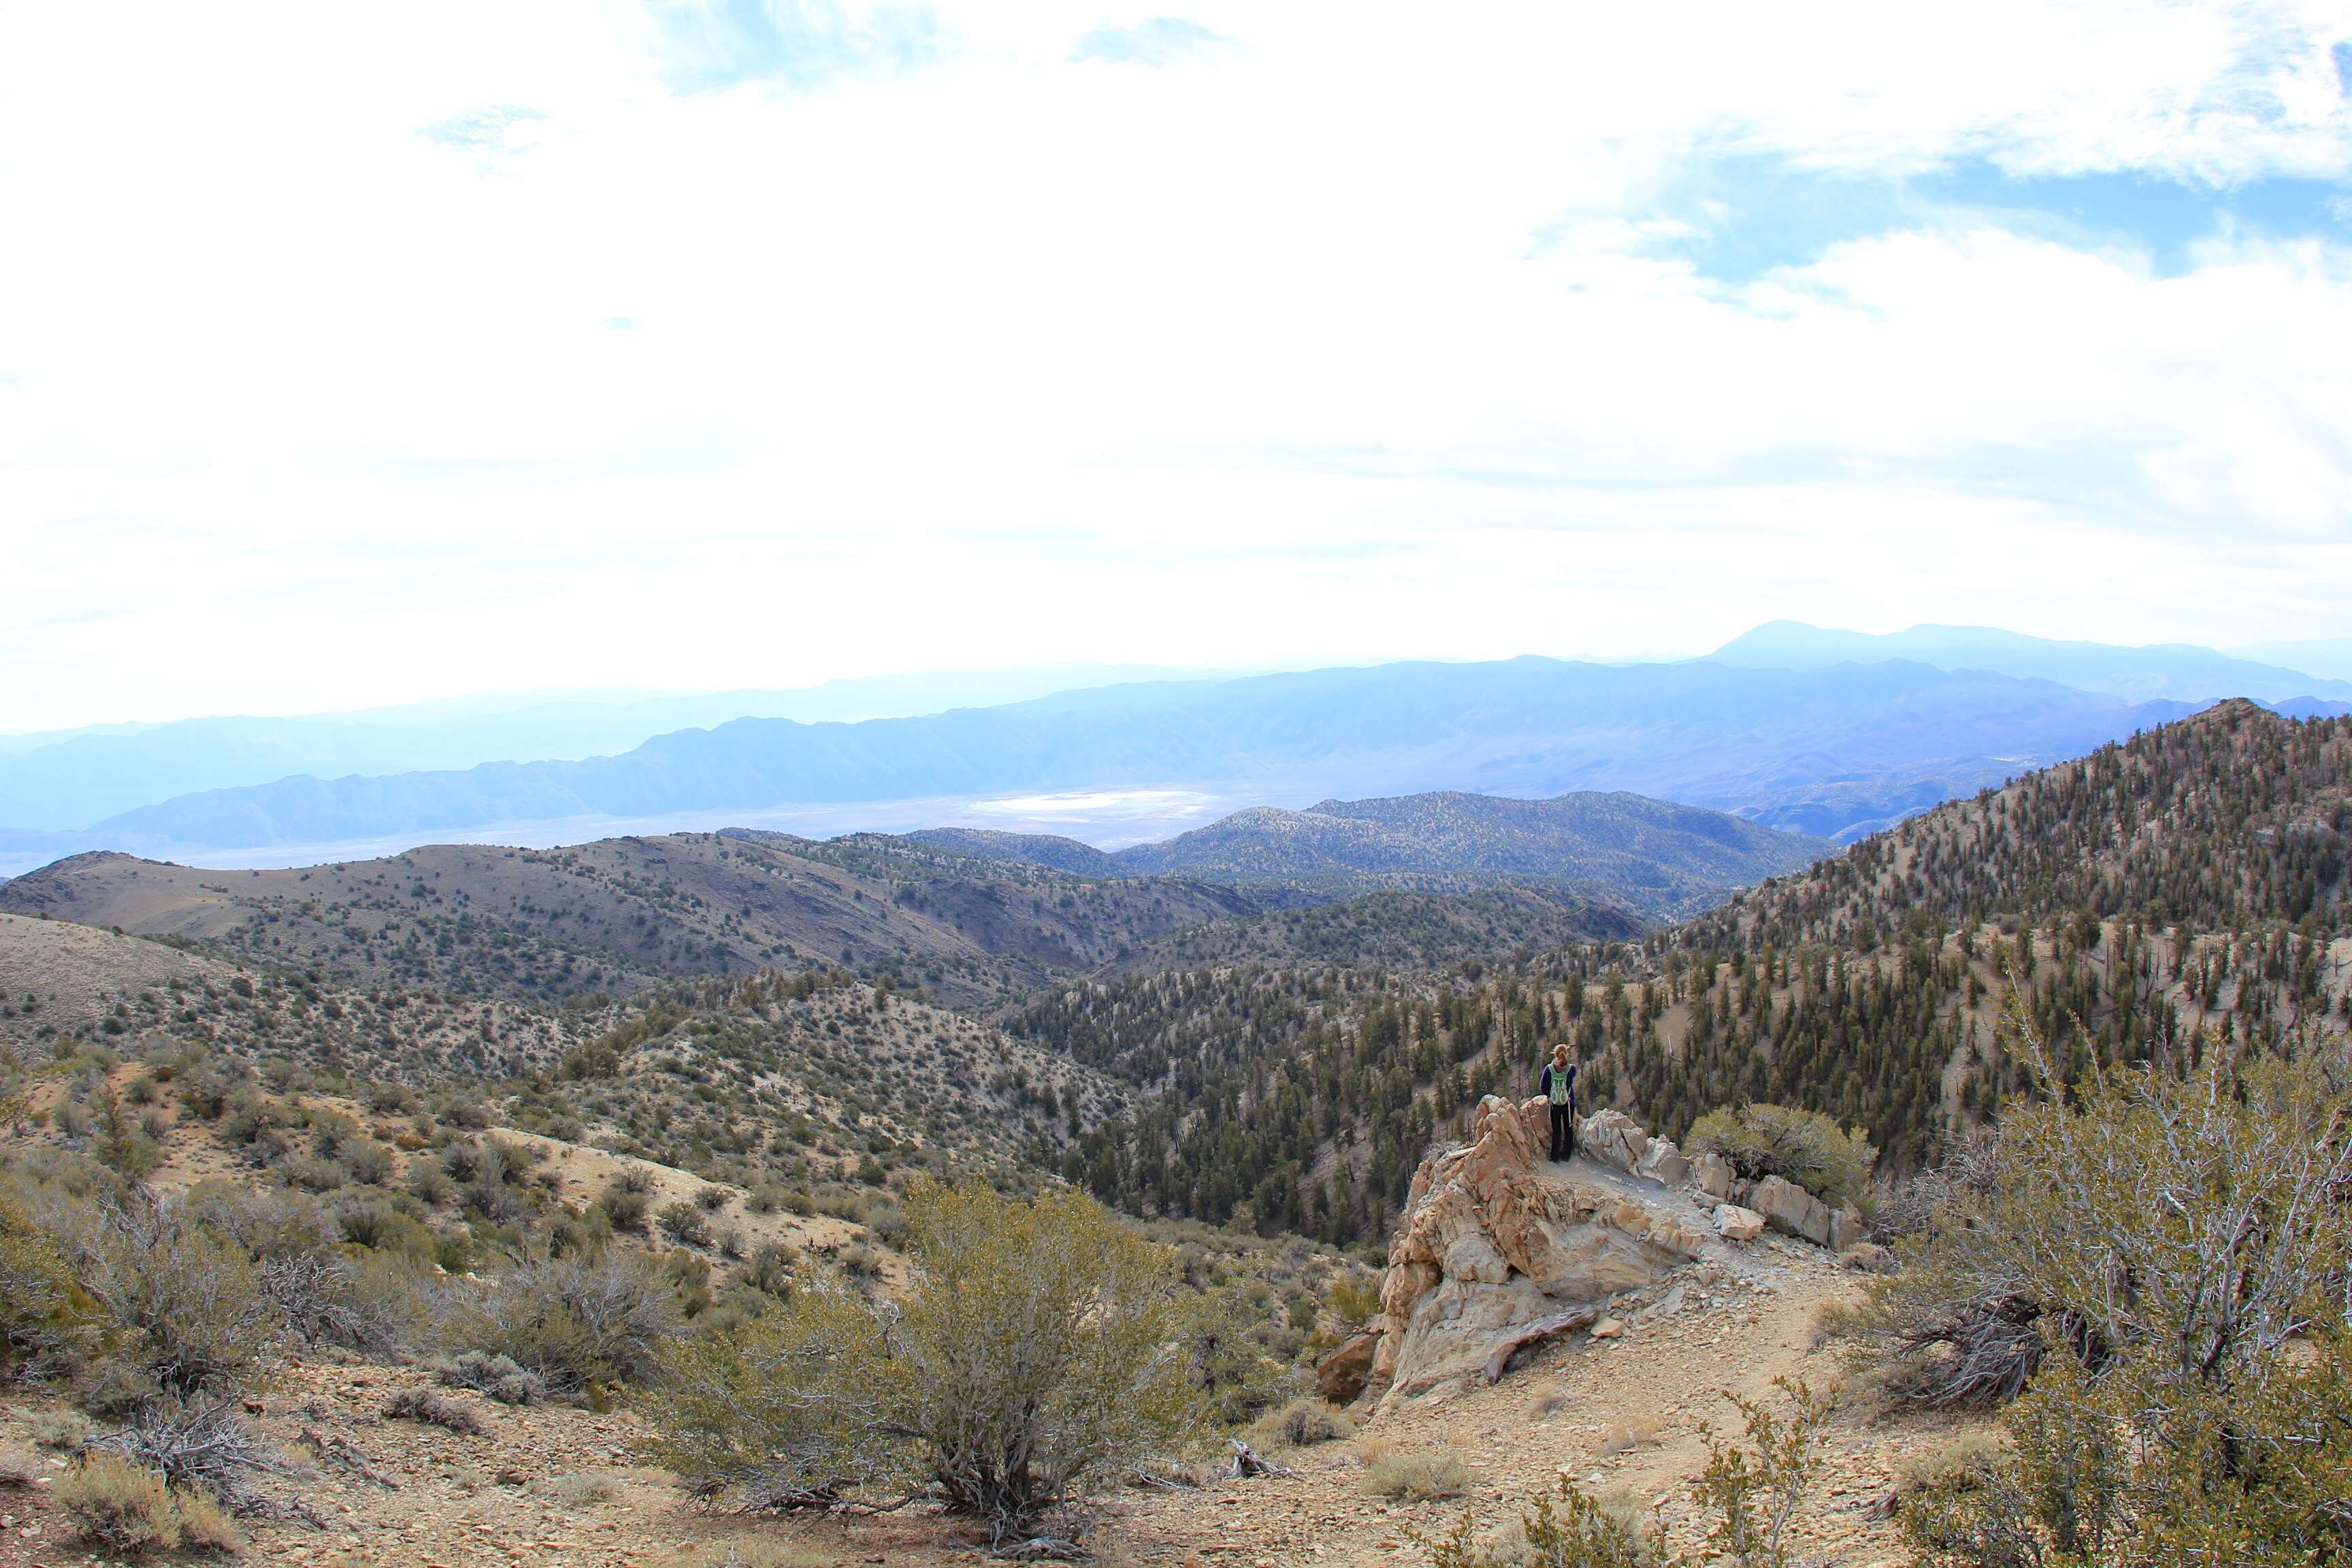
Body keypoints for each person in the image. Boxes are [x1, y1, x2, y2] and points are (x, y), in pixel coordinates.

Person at [1540, 1043, 1578, 1162]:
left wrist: (1550, 1095)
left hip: (1554, 1103)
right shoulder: (1572, 1069)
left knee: (1556, 1130)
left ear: (1555, 1054)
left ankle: (1555, 1156)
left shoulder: (1549, 1069)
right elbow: (1570, 1082)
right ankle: (1566, 1155)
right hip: (1568, 1102)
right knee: (1568, 1128)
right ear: (1566, 1054)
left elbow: (1543, 1086)